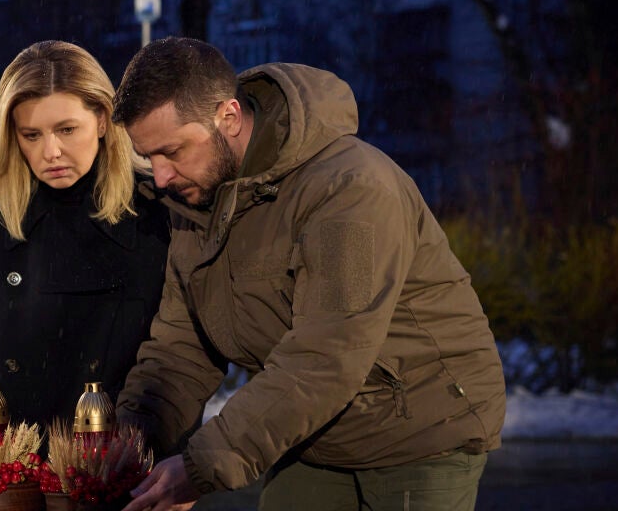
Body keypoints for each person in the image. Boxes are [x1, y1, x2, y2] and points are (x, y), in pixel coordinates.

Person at [110, 38, 507, 511]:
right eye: (148, 157)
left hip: (420, 430)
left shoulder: (349, 189)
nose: (161, 177)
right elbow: (182, 346)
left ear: (229, 117)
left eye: (172, 151)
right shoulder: (195, 203)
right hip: (312, 433)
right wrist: (132, 443)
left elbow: (326, 355)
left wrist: (200, 467)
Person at [0, 40, 171, 473]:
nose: (51, 152)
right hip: (17, 467)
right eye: (31, 135)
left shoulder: (154, 209)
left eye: (67, 129)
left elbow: (176, 351)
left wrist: (153, 446)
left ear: (102, 119)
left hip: (125, 463)